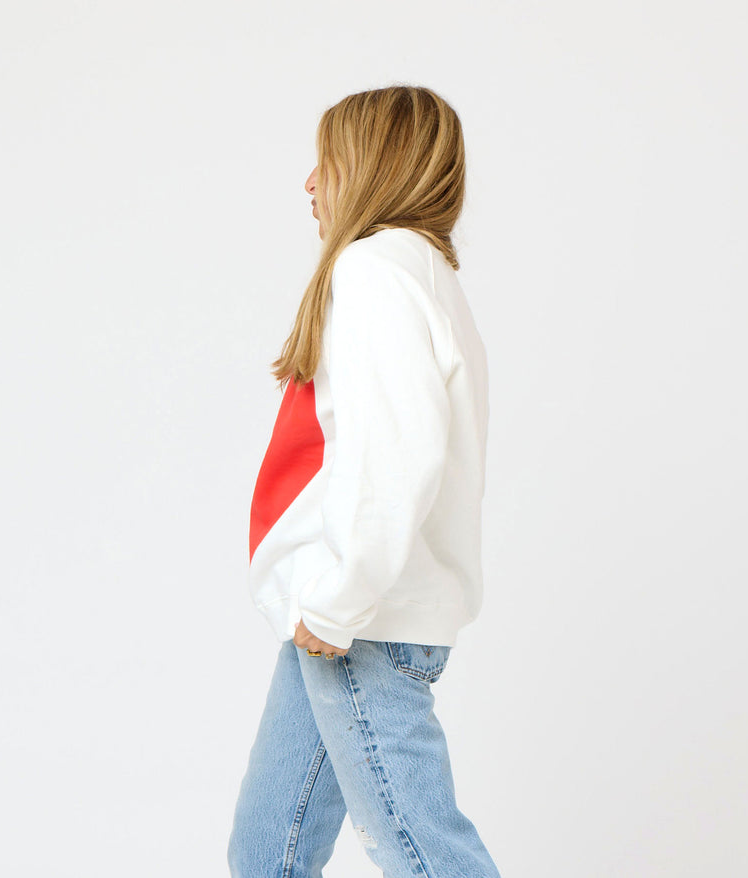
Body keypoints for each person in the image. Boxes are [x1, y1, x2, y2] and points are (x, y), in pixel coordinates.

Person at [227, 84, 501, 878]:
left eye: (328, 161)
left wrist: (339, 598)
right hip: (343, 616)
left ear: (374, 168)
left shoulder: (376, 270)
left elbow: (393, 455)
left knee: (424, 854)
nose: (310, 183)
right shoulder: (420, 274)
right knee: (266, 851)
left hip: (359, 619)